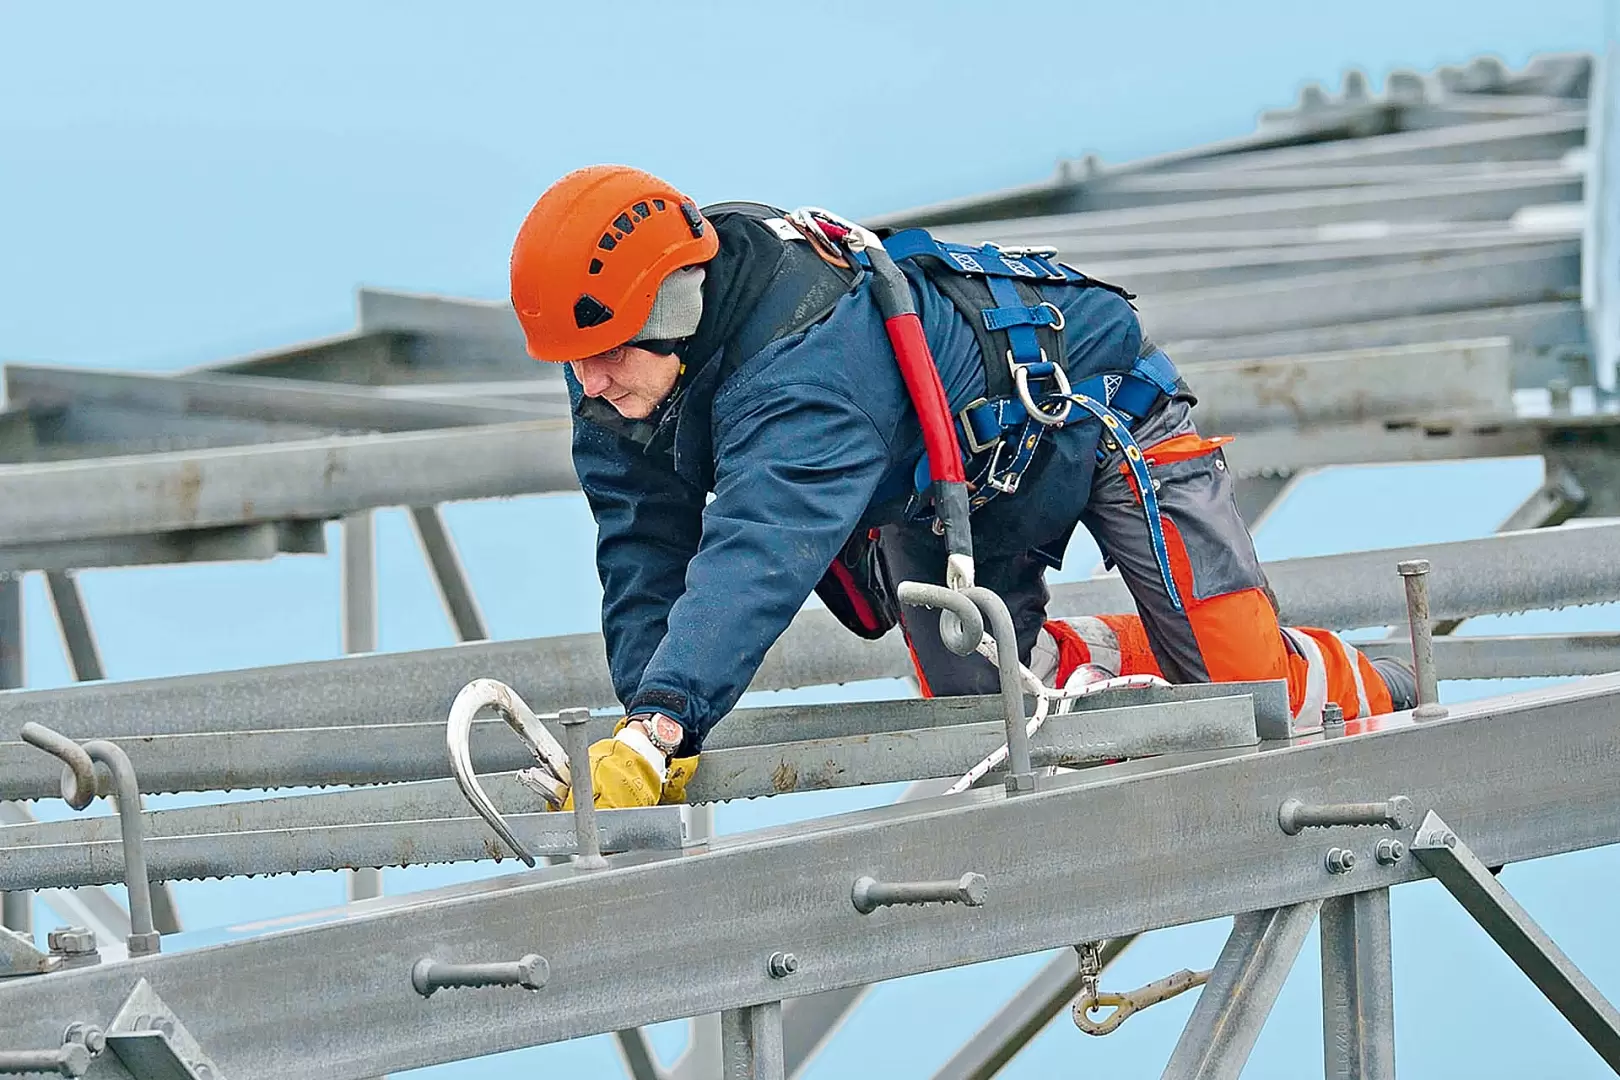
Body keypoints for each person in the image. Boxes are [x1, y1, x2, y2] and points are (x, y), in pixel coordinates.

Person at [507, 164, 1417, 809]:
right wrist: (649, 723)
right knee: (994, 716)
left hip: (1095, 415)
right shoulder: (615, 361)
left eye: (605, 358)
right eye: (573, 365)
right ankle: (1111, 657)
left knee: (1240, 688)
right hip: (946, 480)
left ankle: (1375, 688)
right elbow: (642, 544)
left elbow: (755, 553)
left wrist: (666, 723)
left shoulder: (806, 372)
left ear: (675, 311)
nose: (588, 384)